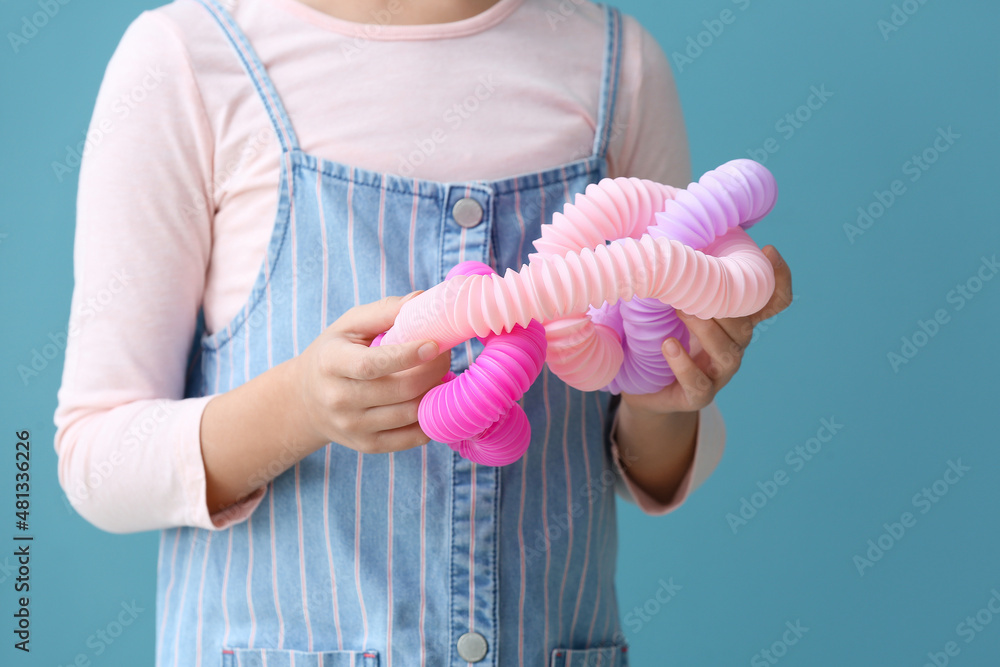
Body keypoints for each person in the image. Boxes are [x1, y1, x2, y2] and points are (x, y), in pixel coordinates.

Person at [53, 0, 793, 664]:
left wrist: (666, 394)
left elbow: (648, 458)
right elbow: (95, 459)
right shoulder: (187, 61)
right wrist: (303, 406)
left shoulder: (618, 66)